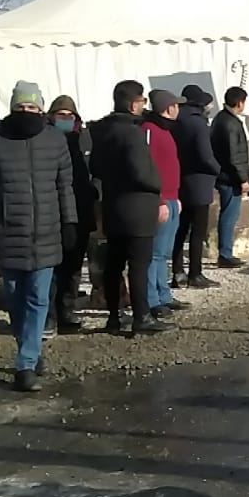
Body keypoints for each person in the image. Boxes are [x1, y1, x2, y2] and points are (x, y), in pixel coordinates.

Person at [0, 82, 77, 392]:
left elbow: (64, 186)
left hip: (46, 232)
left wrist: (70, 222)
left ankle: (25, 364)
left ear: (41, 109)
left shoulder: (55, 140)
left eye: (32, 107)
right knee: (15, 299)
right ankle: (29, 348)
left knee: (38, 298)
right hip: (8, 233)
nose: (26, 112)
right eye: (21, 107)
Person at [87, 80, 172, 337]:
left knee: (113, 265)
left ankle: (114, 316)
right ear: (133, 104)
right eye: (142, 101)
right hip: (138, 208)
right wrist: (158, 184)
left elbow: (96, 168)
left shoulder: (102, 131)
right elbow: (141, 171)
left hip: (114, 205)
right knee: (138, 265)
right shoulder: (132, 133)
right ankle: (141, 316)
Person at [141, 90, 194, 315]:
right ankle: (152, 299)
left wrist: (175, 196)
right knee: (154, 252)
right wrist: (159, 198)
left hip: (172, 198)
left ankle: (164, 294)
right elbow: (148, 165)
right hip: (160, 199)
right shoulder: (149, 130)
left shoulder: (166, 130)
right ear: (169, 108)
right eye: (176, 105)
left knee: (164, 251)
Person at [47, 95, 96, 333]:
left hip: (82, 209)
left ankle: (67, 311)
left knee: (74, 266)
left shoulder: (84, 138)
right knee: (53, 266)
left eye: (69, 115)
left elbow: (94, 168)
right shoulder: (46, 139)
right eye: (61, 115)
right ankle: (49, 315)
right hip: (55, 210)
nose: (65, 119)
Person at [171, 85, 221, 289]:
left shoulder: (175, 121)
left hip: (179, 179)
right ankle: (195, 273)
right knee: (198, 231)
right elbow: (205, 155)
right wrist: (217, 169)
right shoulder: (198, 124)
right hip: (199, 181)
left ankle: (177, 271)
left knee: (180, 229)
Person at [210, 86, 249, 268]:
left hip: (223, 174)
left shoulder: (220, 119)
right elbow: (234, 155)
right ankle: (225, 253)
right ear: (239, 103)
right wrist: (243, 178)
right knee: (229, 215)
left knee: (227, 213)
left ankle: (225, 251)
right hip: (230, 177)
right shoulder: (231, 124)